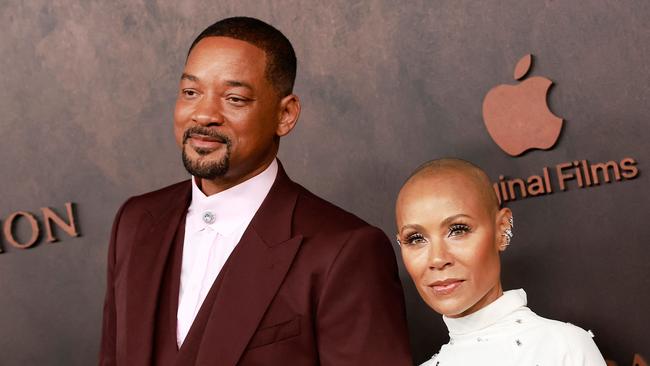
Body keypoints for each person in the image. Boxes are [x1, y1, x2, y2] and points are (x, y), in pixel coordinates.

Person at [99, 17, 412, 366]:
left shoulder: (345, 249)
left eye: (234, 98)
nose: (203, 114)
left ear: (286, 115)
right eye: (191, 92)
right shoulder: (136, 221)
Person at [395, 158, 606, 366]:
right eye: (416, 239)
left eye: (458, 230)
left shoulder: (564, 347)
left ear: (502, 229)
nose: (437, 259)